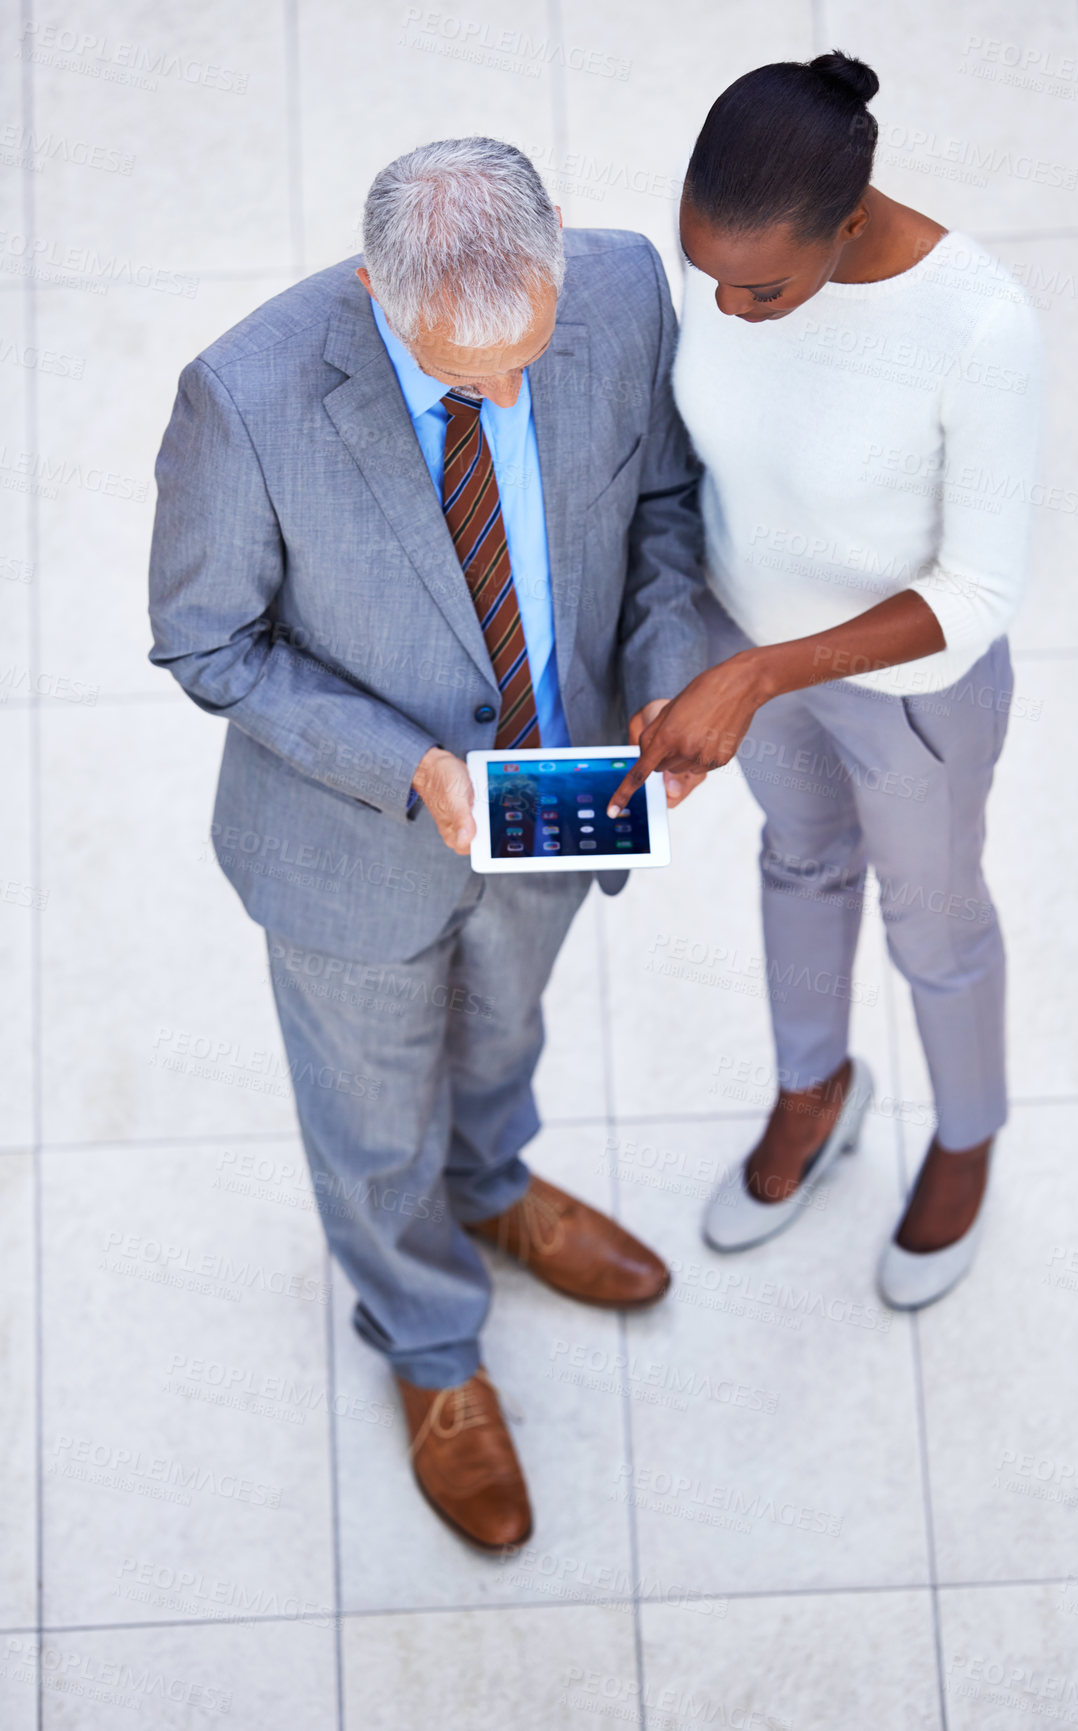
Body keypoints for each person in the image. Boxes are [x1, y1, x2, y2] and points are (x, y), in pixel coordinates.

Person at [149, 137, 706, 1551]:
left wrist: (661, 665)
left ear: (563, 246)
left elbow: (659, 509)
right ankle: (427, 1335)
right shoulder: (246, 397)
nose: (512, 394)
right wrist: (403, 762)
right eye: (470, 380)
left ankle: (496, 1183)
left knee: (502, 1027)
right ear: (374, 295)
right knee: (367, 1107)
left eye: (531, 352)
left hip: (555, 793)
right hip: (350, 839)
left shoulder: (626, 288)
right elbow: (206, 641)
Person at [609, 54, 1042, 1308]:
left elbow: (979, 591)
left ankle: (965, 1137)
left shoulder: (980, 327)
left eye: (760, 288)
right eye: (709, 280)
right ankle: (814, 1090)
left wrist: (757, 674)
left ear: (849, 221)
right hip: (750, 656)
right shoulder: (737, 264)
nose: (727, 308)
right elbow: (709, 471)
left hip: (913, 695)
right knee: (799, 865)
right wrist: (699, 655)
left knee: (937, 928)